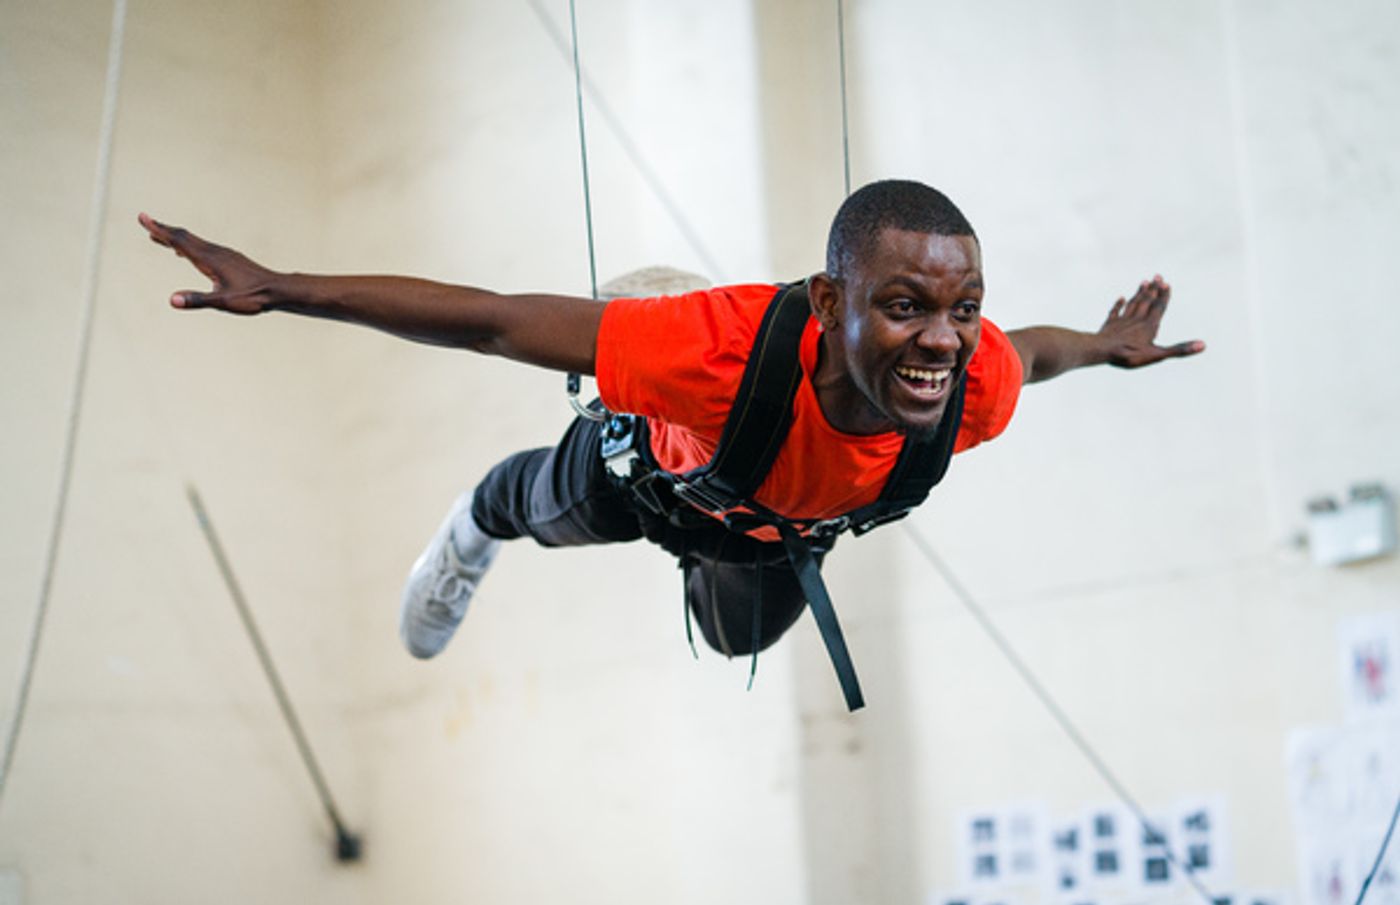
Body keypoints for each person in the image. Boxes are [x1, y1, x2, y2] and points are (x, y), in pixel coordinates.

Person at [140, 180, 1203, 702]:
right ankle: (475, 522)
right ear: (831, 297)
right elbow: (494, 317)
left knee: (740, 639)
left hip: (775, 526)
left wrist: (1106, 345)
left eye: (959, 305)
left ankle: (692, 477)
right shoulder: (726, 349)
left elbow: (1031, 348)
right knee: (524, 501)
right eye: (903, 304)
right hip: (652, 470)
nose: (940, 336)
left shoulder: (970, 381)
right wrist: (287, 288)